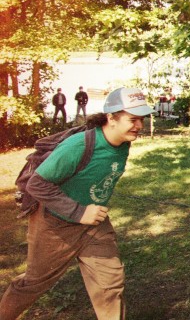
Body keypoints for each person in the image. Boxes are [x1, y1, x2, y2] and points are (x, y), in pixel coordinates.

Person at [0, 87, 155, 320]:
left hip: (94, 225)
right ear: (111, 118)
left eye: (141, 119)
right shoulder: (78, 146)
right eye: (132, 120)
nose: (139, 126)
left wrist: (87, 210)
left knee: (110, 284)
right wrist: (79, 211)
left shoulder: (123, 143)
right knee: (34, 283)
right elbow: (37, 184)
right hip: (55, 226)